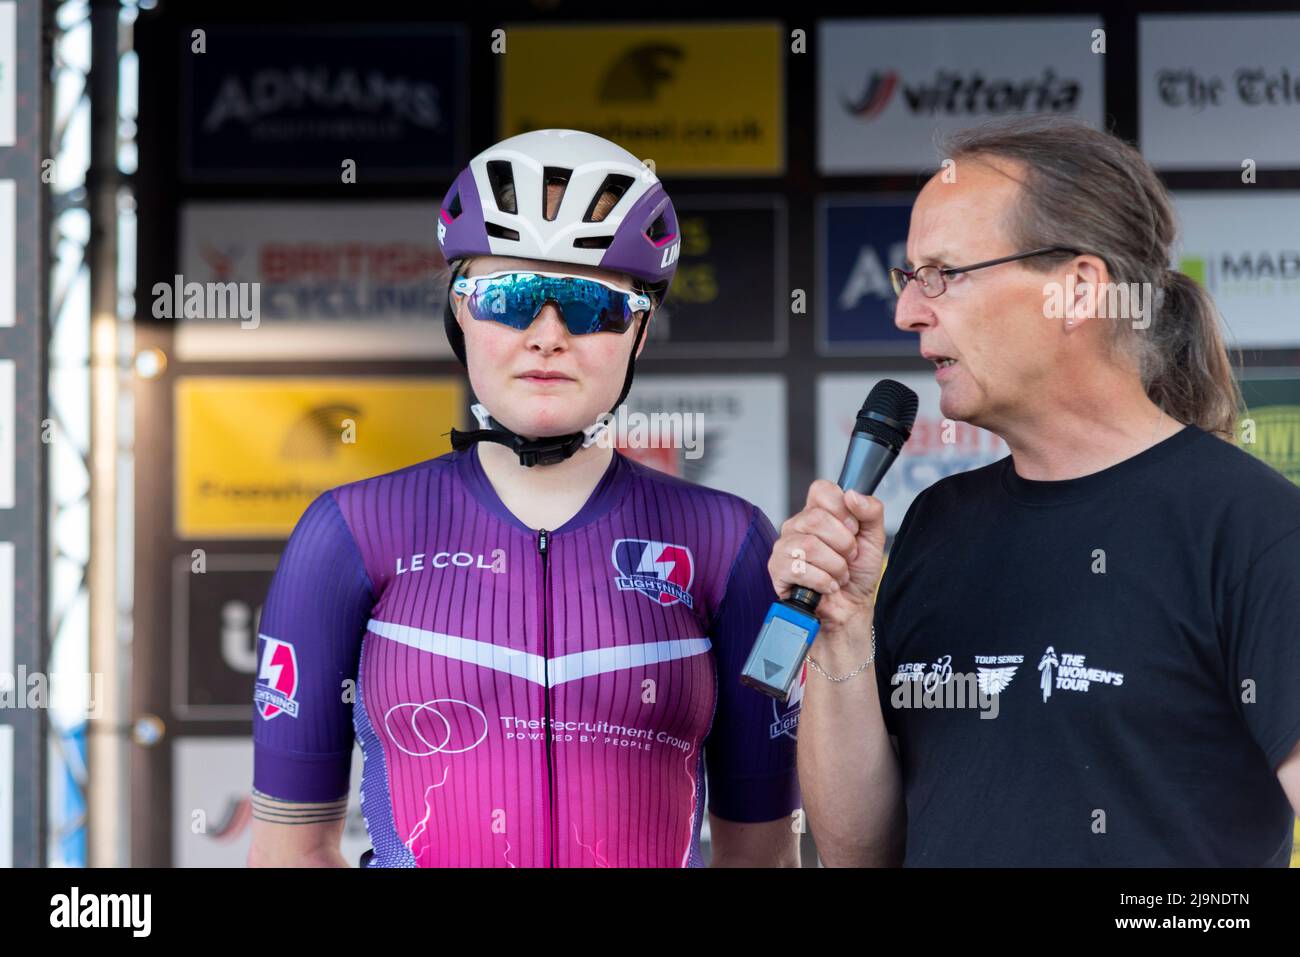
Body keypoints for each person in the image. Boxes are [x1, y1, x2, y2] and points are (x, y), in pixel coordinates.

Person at [247, 129, 800, 868]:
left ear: (639, 331)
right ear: (461, 313)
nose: (547, 336)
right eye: (509, 298)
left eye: (587, 304)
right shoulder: (348, 532)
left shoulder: (728, 542)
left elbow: (761, 857)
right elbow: (289, 853)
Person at [770, 115, 1300, 866]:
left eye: (943, 274)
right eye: (908, 276)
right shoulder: (938, 524)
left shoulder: (1254, 529)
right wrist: (843, 629)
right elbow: (861, 852)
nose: (906, 311)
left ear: (1077, 290)